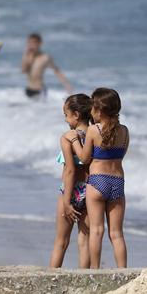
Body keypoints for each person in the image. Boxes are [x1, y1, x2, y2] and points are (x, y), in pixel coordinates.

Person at [68, 87, 128, 268]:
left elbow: (85, 158)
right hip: (117, 182)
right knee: (117, 233)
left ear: (99, 110)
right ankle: (123, 272)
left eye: (93, 108)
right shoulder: (124, 130)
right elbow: (120, 156)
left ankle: (95, 271)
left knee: (96, 230)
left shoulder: (94, 130)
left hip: (97, 181)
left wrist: (74, 142)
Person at [49, 94, 92, 268]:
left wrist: (67, 201)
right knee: (85, 240)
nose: (66, 119)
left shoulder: (68, 137)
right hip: (89, 189)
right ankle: (85, 281)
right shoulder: (94, 134)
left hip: (70, 190)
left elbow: (70, 170)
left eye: (66, 115)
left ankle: (50, 281)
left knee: (61, 241)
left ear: (76, 114)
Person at [21, 33, 73, 100]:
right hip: (29, 89)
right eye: (29, 43)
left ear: (40, 43)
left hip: (40, 90)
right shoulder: (26, 56)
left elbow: (56, 71)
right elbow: (23, 70)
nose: (31, 45)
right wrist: (29, 59)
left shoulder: (45, 57)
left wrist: (67, 85)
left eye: (34, 43)